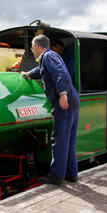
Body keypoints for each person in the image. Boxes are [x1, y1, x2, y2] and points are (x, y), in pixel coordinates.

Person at [21, 35, 80, 185]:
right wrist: (28, 74)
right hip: (73, 99)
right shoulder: (49, 57)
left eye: (32, 48)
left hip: (64, 101)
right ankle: (71, 174)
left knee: (59, 138)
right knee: (69, 140)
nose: (32, 51)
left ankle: (57, 175)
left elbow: (60, 73)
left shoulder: (48, 56)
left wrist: (62, 94)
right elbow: (41, 70)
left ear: (37, 47)